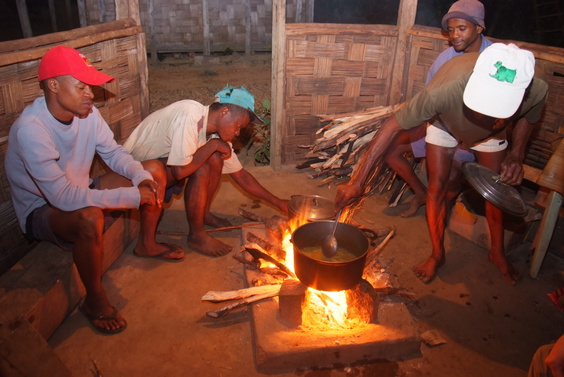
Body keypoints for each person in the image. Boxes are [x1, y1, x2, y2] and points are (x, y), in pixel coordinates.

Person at [5, 45, 185, 335]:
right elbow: (61, 197)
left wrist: (140, 178)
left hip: (79, 188)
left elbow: (113, 154)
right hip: (43, 210)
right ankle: (94, 299)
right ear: (53, 85)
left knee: (153, 170)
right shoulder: (32, 129)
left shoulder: (87, 114)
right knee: (90, 217)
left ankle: (147, 244)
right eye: (81, 86)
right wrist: (129, 197)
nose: (90, 93)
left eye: (89, 86)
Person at [336, 43, 548, 285]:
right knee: (436, 188)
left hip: (492, 135)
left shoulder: (536, 86)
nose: (488, 112)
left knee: (495, 192)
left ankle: (497, 252)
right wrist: (357, 183)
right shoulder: (444, 90)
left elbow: (528, 119)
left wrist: (516, 155)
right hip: (446, 124)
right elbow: (391, 127)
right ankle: (437, 254)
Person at [123, 86, 289, 257]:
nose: (237, 133)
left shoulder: (215, 135)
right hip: (132, 174)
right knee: (204, 162)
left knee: (214, 158)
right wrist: (213, 146)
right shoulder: (190, 113)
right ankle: (188, 237)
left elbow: (241, 176)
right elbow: (180, 171)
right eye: (238, 126)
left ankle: (203, 215)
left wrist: (277, 202)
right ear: (225, 112)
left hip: (160, 171)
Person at [384, 0, 492, 217]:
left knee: (450, 175)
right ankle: (421, 193)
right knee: (390, 151)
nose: (454, 36)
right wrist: (425, 127)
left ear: (479, 28)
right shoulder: (446, 58)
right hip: (440, 125)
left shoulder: (494, 60)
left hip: (475, 136)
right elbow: (430, 99)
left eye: (462, 29)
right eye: (451, 30)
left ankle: (444, 203)